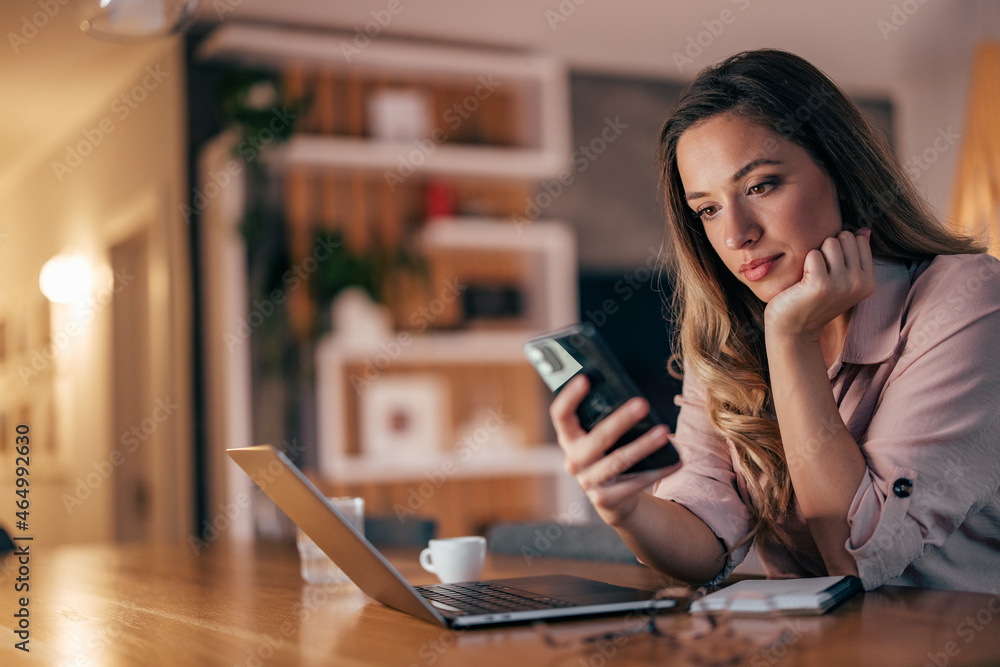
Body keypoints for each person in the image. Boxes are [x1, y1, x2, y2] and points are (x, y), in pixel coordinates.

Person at [550, 49, 1000, 593]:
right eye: (708, 209)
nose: (736, 234)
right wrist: (625, 508)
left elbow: (856, 559)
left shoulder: (966, 299)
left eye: (760, 186)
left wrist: (790, 338)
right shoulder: (729, 331)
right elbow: (702, 538)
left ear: (840, 171)